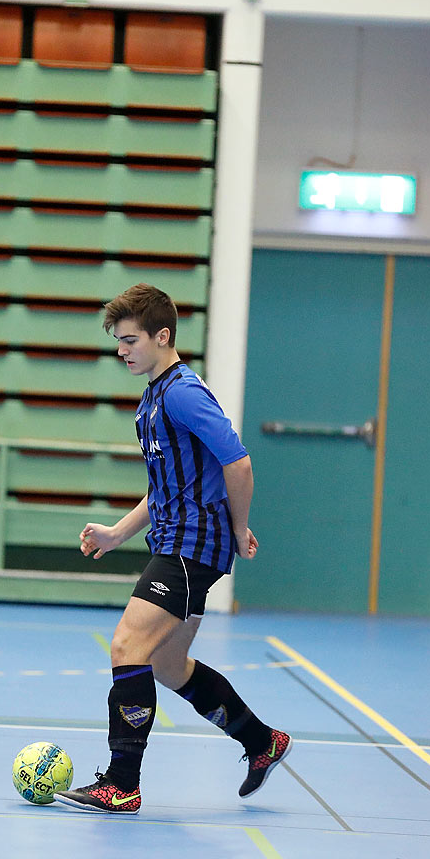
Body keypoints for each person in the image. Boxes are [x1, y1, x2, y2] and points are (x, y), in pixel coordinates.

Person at [56, 283, 289, 814]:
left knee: (126, 649)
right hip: (177, 538)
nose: (122, 351)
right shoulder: (154, 395)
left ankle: (121, 782)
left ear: (163, 336)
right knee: (166, 664)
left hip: (191, 545)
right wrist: (119, 532)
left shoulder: (183, 391)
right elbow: (168, 486)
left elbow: (239, 463)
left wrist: (237, 526)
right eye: (118, 341)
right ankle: (261, 741)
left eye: (131, 340)